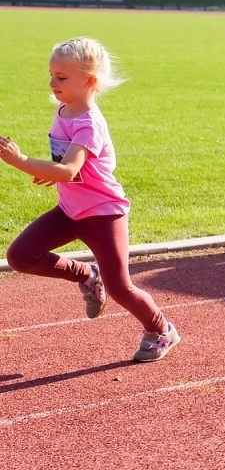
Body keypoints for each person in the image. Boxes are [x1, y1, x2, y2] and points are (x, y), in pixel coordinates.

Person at [0, 38, 180, 362]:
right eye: (51, 74)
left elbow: (69, 169)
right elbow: (68, 164)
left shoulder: (88, 123)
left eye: (61, 77)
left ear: (89, 81)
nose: (52, 82)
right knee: (20, 256)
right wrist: (51, 172)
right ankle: (86, 275)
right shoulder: (64, 110)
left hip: (103, 215)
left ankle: (161, 330)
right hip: (70, 211)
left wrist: (21, 160)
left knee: (121, 287)